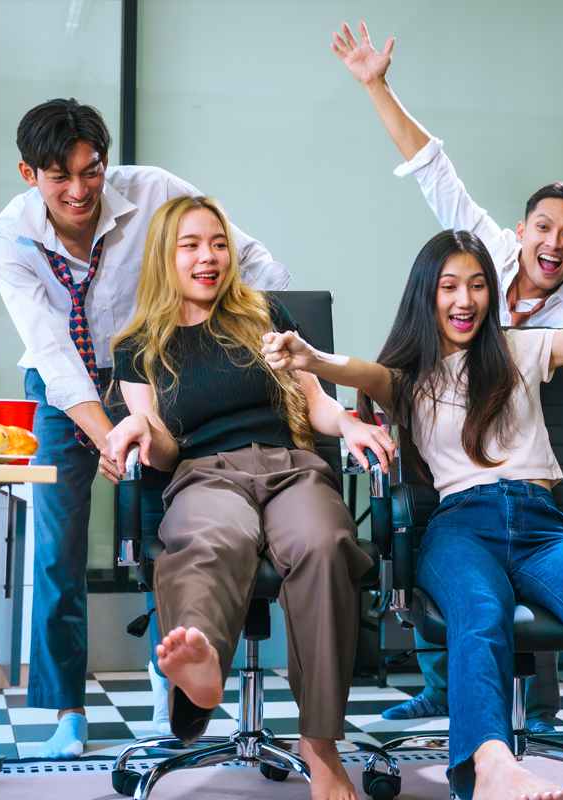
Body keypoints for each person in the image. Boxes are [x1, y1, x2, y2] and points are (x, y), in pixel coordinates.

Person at [262, 229, 563, 800]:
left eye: (476, 286)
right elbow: (355, 372)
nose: (464, 300)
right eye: (449, 287)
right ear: (427, 295)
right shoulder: (410, 377)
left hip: (542, 527)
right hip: (460, 529)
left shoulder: (524, 349)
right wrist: (312, 359)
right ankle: (492, 766)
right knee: (479, 612)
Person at [0, 99, 291, 758]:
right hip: (65, 392)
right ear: (27, 173)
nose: (78, 190)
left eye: (90, 171)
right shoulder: (6, 239)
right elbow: (55, 357)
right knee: (58, 546)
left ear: (105, 161)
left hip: (155, 373)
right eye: (57, 175)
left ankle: (169, 682)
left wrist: (234, 349)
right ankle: (68, 708)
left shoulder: (155, 191)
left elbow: (260, 266)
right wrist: (110, 438)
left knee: (168, 531)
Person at [332, 20, 563, 727]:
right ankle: (444, 684)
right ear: (521, 231)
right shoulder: (480, 253)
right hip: (444, 446)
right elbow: (430, 165)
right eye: (543, 226)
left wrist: (529, 374)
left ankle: (537, 707)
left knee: (533, 543)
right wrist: (377, 86)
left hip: (524, 460)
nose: (553, 242)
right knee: (435, 529)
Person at [104, 195, 395, 800]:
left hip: (290, 467)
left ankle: (319, 746)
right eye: (191, 245)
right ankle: (203, 666)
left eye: (217, 243)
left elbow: (314, 401)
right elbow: (159, 446)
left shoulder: (264, 313)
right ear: (165, 255)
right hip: (204, 473)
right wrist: (137, 428)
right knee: (212, 538)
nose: (208, 256)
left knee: (324, 543)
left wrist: (350, 424)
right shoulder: (138, 344)